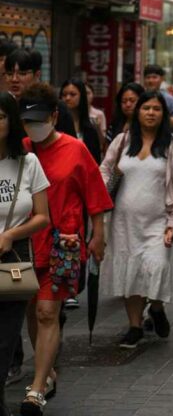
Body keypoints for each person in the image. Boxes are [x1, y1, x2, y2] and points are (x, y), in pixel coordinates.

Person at [19, 84, 111, 415]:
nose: (34, 126)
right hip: (23, 243)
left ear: (55, 116)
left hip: (63, 242)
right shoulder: (20, 149)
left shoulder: (75, 150)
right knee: (32, 310)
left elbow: (95, 196)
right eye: (28, 121)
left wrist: (97, 235)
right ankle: (48, 371)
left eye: (40, 119)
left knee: (47, 311)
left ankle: (38, 387)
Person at [100, 90, 173, 349]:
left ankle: (156, 307)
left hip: (158, 222)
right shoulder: (123, 141)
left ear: (164, 114)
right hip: (123, 223)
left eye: (156, 109)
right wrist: (101, 195)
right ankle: (135, 326)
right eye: (146, 108)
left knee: (155, 266)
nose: (150, 113)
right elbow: (104, 169)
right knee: (131, 272)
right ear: (138, 111)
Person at [0, 92, 50, 416]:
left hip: (11, 262)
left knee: (4, 342)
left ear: (11, 120)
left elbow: (43, 216)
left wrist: (11, 234)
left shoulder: (28, 161)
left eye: (0, 116)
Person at [6, 50, 76, 137]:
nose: (14, 79)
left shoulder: (56, 107)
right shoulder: (5, 107)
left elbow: (70, 145)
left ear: (37, 75)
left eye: (22, 74)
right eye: (9, 74)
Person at [59, 80, 101, 163]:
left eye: (72, 94)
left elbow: (95, 161)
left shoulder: (90, 130)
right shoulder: (55, 125)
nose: (67, 98)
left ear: (82, 97)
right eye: (64, 95)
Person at [142, 64, 173, 134]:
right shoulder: (139, 97)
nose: (151, 81)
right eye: (148, 77)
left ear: (162, 79)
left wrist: (161, 117)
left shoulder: (170, 100)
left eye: (154, 77)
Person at [84, 84, 106, 149]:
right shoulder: (75, 113)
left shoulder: (99, 114)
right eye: (83, 93)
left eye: (88, 93)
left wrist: (98, 127)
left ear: (93, 95)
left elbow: (102, 141)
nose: (85, 96)